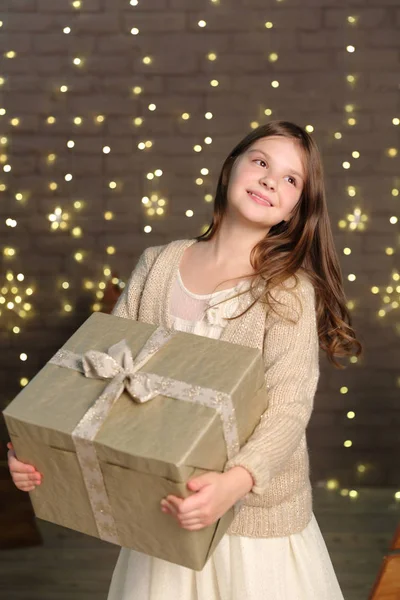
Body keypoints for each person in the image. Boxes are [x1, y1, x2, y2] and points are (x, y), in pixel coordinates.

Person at [8, 120, 362, 599]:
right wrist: (40, 448)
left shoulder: (288, 292)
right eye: (260, 162)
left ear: (297, 209)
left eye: (290, 179)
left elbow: (289, 408)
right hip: (165, 509)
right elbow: (99, 372)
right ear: (229, 169)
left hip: (253, 524)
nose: (269, 180)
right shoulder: (158, 264)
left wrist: (234, 484)